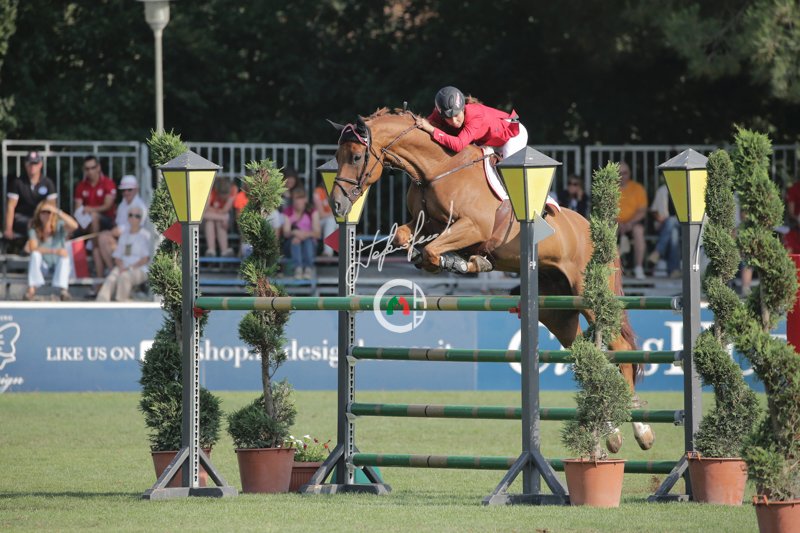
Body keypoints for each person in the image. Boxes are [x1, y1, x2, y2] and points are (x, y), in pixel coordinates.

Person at [414, 86, 528, 159]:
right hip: (487, 141)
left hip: (512, 135)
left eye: (456, 115)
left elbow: (458, 145)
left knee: (508, 171)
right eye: (448, 118)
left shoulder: (475, 115)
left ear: (462, 108)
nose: (454, 121)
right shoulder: (440, 113)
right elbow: (424, 123)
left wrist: (432, 129)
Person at [24, 201, 78, 301]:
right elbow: (33, 248)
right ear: (38, 213)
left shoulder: (59, 225)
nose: (46, 215)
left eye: (48, 212)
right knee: (35, 255)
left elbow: (74, 226)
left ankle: (63, 290)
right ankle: (31, 289)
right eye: (43, 212)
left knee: (64, 257)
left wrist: (58, 211)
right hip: (43, 264)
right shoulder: (34, 228)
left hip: (57, 263)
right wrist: (55, 251)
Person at [96, 207, 152, 302]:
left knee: (124, 277)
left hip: (139, 268)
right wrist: (121, 266)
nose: (133, 218)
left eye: (137, 216)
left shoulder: (145, 235)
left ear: (141, 219)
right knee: (111, 278)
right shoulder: (124, 235)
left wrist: (129, 268)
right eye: (131, 215)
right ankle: (101, 302)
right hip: (123, 266)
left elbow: (145, 259)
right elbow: (117, 256)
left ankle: (121, 303)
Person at [96, 175, 148, 276]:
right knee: (96, 249)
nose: (126, 192)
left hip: (134, 242)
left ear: (136, 189)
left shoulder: (140, 206)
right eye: (124, 190)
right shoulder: (122, 205)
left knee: (103, 238)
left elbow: (136, 228)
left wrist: (115, 232)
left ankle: (114, 272)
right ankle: (105, 277)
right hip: (123, 239)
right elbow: (118, 225)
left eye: (129, 189)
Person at [74, 155, 117, 275]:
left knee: (94, 216)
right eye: (87, 169)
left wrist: (90, 209)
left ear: (98, 167)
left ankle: (94, 246)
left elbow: (108, 205)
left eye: (93, 167)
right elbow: (77, 209)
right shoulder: (81, 186)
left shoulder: (108, 183)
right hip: (88, 223)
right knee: (69, 228)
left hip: (107, 220)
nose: (90, 171)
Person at [4, 150, 58, 245]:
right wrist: (8, 229)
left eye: (35, 163)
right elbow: (11, 207)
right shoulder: (18, 182)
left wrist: (50, 223)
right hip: (21, 218)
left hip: (42, 218)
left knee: (53, 224)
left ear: (40, 164)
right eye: (30, 163)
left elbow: (52, 207)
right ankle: (35, 248)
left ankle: (38, 248)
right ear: (25, 165)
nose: (32, 166)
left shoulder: (48, 183)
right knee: (33, 224)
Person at [617, 162, 648, 280]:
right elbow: (605, 210)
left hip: (633, 224)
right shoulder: (610, 189)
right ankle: (611, 268)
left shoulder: (637, 188)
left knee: (638, 231)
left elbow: (642, 211)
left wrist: (629, 223)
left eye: (625, 173)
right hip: (615, 224)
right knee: (608, 232)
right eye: (619, 173)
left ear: (629, 173)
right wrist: (618, 223)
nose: (622, 176)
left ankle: (638, 267)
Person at [282, 187, 320, 279]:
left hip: (309, 243)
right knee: (295, 240)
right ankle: (298, 268)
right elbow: (286, 233)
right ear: (293, 200)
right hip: (291, 244)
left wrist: (304, 235)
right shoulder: (288, 212)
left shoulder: (312, 211)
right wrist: (295, 232)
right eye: (296, 198)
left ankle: (307, 269)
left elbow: (317, 233)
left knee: (307, 240)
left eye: (301, 198)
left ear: (305, 199)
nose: (299, 201)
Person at [647, 183, 681, 278]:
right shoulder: (662, 190)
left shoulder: (684, 188)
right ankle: (674, 270)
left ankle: (657, 251)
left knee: (671, 220)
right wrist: (659, 218)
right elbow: (654, 210)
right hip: (664, 225)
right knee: (673, 233)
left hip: (682, 225)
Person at [203, 177, 237, 257]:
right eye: (222, 195)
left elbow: (225, 210)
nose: (224, 197)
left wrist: (215, 212)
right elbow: (204, 211)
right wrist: (222, 217)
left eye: (226, 194)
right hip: (215, 219)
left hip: (225, 220)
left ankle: (224, 251)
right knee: (210, 222)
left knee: (218, 222)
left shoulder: (233, 189)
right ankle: (211, 250)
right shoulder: (211, 192)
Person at [313, 178, 336, 256]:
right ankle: (328, 252)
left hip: (336, 223)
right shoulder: (318, 191)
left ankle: (346, 254)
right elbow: (321, 215)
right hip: (321, 222)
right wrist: (334, 214)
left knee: (343, 225)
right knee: (330, 221)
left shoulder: (339, 191)